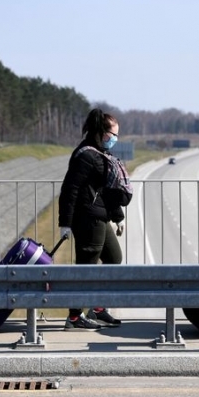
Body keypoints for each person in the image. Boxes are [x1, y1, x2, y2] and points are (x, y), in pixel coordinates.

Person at [58, 108, 131, 330]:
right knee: (86, 267)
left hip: (101, 217)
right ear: (100, 132)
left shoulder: (100, 154)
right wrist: (65, 223)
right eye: (113, 135)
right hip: (88, 219)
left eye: (118, 135)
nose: (115, 140)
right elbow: (70, 189)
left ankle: (98, 307)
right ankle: (74, 316)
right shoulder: (86, 156)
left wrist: (118, 217)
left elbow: (105, 191)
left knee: (114, 258)